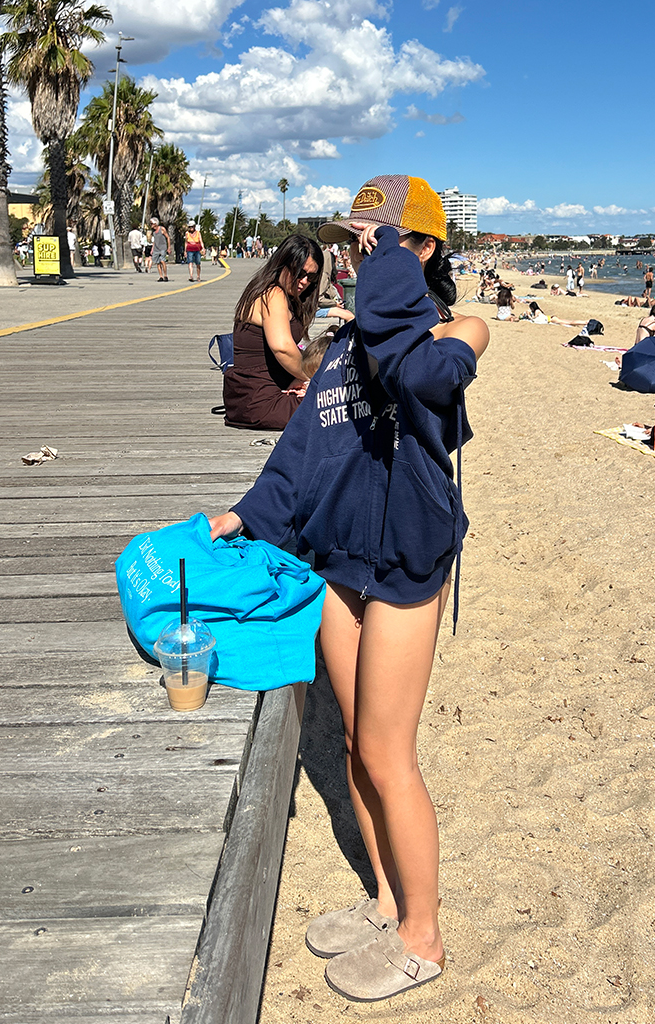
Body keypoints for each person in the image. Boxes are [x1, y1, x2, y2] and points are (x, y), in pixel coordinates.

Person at [209, 175, 488, 1002]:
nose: (357, 257)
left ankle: (423, 937)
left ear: (421, 248)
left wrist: (390, 268)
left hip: (404, 562)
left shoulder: (456, 333)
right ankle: (387, 900)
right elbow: (300, 454)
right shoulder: (338, 350)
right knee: (354, 746)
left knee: (389, 753)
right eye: (355, 243)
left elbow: (420, 380)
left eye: (374, 241)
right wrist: (240, 515)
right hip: (339, 561)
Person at [223, 234, 322, 430]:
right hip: (262, 400)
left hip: (254, 397)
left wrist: (299, 379)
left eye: (311, 277)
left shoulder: (274, 292)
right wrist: (311, 379)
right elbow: (282, 348)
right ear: (282, 264)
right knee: (339, 404)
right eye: (299, 273)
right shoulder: (273, 293)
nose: (304, 281)